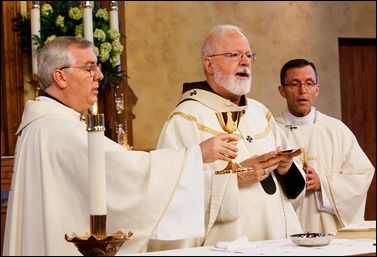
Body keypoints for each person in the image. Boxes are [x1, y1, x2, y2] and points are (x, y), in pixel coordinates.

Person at [2, 36, 241, 256]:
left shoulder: (42, 124)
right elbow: (124, 171)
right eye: (89, 68)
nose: (99, 75)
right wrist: (196, 154)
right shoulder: (57, 129)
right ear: (60, 76)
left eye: (97, 67)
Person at [149, 24, 306, 251]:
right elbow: (169, 190)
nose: (245, 62)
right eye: (234, 55)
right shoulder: (186, 119)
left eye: (248, 55)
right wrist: (235, 180)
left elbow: (293, 185)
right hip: (226, 245)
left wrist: (285, 169)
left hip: (276, 240)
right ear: (209, 64)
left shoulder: (260, 113)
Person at [275, 58, 375, 234]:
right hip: (285, 227)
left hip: (329, 229)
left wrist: (323, 183)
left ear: (317, 89)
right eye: (294, 84)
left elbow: (362, 175)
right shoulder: (272, 130)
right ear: (282, 90)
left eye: (309, 83)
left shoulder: (336, 130)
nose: (302, 91)